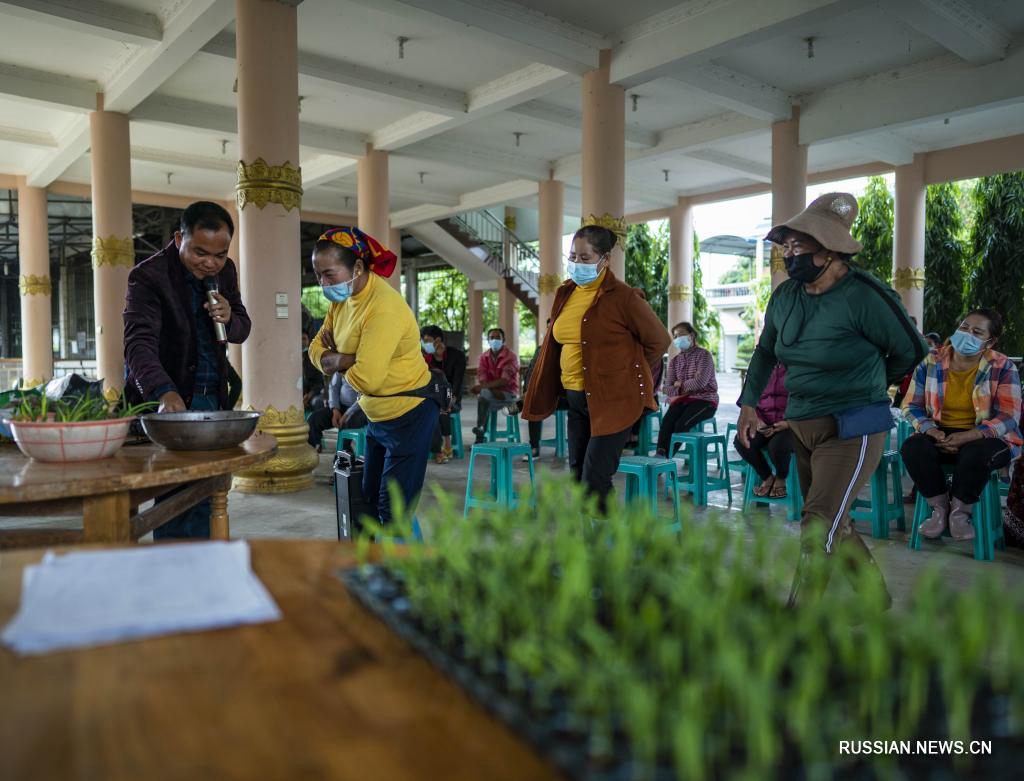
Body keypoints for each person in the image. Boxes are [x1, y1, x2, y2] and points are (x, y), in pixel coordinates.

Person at [736, 192, 926, 608]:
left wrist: (871, 386)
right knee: (832, 520)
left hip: (852, 425)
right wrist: (748, 405)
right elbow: (766, 351)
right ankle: (873, 594)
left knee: (817, 525)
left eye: (798, 245)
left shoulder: (865, 296)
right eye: (786, 247)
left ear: (830, 248)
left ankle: (799, 619)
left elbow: (910, 350)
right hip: (802, 422)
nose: (789, 254)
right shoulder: (786, 296)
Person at [523, 217, 670, 511]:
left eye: (585, 257)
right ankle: (589, 539)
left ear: (605, 259)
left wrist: (627, 373)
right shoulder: (566, 293)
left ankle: (605, 546)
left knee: (595, 478)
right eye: (572, 256)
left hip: (613, 401)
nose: (577, 263)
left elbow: (659, 341)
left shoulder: (624, 298)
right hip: (577, 400)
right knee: (578, 477)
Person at [124, 201, 250, 539]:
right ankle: (175, 568)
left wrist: (230, 317)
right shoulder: (148, 276)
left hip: (212, 400)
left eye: (219, 255)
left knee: (208, 494)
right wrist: (164, 393)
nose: (210, 263)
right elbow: (138, 345)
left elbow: (241, 329)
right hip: (170, 401)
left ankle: (204, 566)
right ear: (179, 237)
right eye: (200, 253)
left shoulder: (226, 272)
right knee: (174, 495)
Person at [307, 227, 435, 527]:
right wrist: (347, 359)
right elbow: (314, 350)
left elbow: (368, 379)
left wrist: (335, 360)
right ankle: (383, 562)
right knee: (368, 498)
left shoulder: (382, 307)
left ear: (359, 267)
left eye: (329, 274)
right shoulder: (341, 302)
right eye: (317, 275)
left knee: (393, 512)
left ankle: (407, 571)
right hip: (377, 416)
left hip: (409, 414)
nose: (322, 284)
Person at [901, 309, 1021, 540]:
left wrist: (969, 436)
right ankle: (939, 509)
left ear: (990, 341)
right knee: (913, 447)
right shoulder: (932, 360)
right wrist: (930, 430)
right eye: (964, 327)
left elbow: (1009, 416)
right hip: (940, 432)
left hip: (987, 436)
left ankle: (960, 513)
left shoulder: (1003, 366)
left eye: (977, 332)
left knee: (976, 453)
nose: (967, 333)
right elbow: (910, 406)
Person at [655, 321, 718, 457]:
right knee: (667, 422)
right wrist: (682, 388)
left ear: (692, 335)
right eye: (676, 336)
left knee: (682, 424)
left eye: (682, 334)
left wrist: (680, 384)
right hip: (682, 400)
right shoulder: (675, 361)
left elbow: (700, 383)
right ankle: (659, 455)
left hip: (705, 401)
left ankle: (666, 458)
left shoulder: (704, 356)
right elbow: (666, 388)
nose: (678, 338)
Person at [734, 362, 793, 498]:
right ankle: (767, 477)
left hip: (788, 424)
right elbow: (747, 399)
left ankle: (780, 477)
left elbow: (805, 400)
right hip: (763, 422)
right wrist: (755, 417)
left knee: (777, 446)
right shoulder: (760, 366)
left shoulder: (797, 366)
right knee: (742, 440)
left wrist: (788, 423)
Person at [421, 325, 466, 463]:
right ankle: (438, 448)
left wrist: (449, 402)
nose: (424, 343)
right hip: (433, 398)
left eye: (427, 340)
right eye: (423, 340)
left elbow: (457, 386)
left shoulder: (457, 356)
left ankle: (445, 444)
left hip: (453, 399)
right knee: (431, 408)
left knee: (441, 409)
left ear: (438, 340)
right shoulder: (426, 358)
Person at [471, 327, 519, 443]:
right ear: (488, 340)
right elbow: (482, 378)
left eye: (498, 337)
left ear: (504, 340)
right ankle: (481, 431)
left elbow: (504, 380)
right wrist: (487, 388)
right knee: (484, 397)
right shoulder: (484, 357)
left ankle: (480, 434)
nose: (495, 340)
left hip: (509, 395)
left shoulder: (510, 356)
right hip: (491, 396)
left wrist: (484, 387)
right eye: (492, 337)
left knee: (483, 395)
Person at [301, 331, 325, 412]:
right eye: (299, 339)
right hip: (295, 395)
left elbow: (320, 383)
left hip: (311, 395)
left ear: (308, 341)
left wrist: (308, 396)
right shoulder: (290, 359)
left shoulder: (313, 359)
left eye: (304, 339)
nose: (302, 342)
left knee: (318, 402)